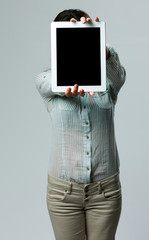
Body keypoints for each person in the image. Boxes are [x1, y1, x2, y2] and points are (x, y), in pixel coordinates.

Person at [35, 8, 126, 240]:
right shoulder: (48, 81)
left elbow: (120, 76)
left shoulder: (107, 82)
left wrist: (101, 51)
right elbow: (48, 84)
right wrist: (67, 74)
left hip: (105, 193)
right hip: (62, 195)